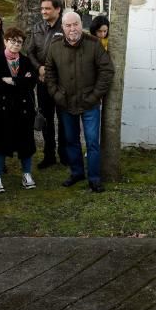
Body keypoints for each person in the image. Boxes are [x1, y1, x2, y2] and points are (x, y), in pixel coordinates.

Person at [44, 11, 114, 193]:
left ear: (80, 24)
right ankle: (76, 173)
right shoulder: (55, 46)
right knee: (71, 140)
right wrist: (56, 95)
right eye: (68, 25)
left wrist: (95, 96)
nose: (72, 28)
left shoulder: (94, 44)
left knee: (92, 142)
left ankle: (94, 178)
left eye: (75, 24)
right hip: (66, 103)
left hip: (90, 103)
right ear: (63, 28)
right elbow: (49, 73)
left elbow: (107, 71)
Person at [0, 27, 37, 194]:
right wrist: (21, 81)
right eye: (12, 41)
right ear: (5, 41)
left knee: (26, 143)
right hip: (3, 110)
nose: (16, 44)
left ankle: (27, 174)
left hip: (23, 110)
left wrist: (12, 81)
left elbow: (31, 83)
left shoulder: (26, 61)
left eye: (19, 42)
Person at [23, 0, 67, 168]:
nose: (44, 11)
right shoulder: (38, 28)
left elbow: (68, 55)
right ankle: (49, 155)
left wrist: (49, 71)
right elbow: (30, 52)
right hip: (42, 82)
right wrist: (39, 68)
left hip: (62, 82)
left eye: (47, 8)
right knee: (46, 118)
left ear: (58, 9)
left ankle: (65, 155)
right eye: (42, 9)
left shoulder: (66, 27)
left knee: (64, 120)